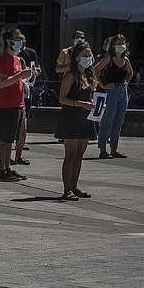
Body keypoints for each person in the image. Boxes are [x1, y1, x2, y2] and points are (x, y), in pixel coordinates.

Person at [0, 28, 38, 181]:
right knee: (4, 140)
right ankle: (1, 170)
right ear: (8, 41)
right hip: (6, 105)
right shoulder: (4, 59)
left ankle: (7, 167)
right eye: (17, 39)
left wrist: (27, 75)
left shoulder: (18, 60)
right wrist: (20, 75)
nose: (20, 42)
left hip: (18, 104)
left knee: (10, 140)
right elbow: (2, 82)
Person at [58, 40, 97, 200]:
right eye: (84, 55)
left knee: (79, 155)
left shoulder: (88, 75)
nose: (88, 58)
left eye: (89, 55)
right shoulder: (70, 75)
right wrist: (79, 103)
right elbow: (61, 98)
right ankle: (67, 189)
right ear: (76, 58)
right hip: (71, 118)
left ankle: (74, 186)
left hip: (85, 118)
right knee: (70, 155)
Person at [96, 34, 133, 159]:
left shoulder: (125, 60)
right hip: (111, 91)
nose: (121, 45)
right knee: (107, 120)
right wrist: (102, 85)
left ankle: (114, 149)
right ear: (113, 46)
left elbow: (130, 72)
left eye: (123, 43)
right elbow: (95, 70)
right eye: (119, 43)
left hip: (123, 90)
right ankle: (102, 149)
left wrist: (126, 82)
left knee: (118, 121)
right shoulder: (109, 59)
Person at [14, 36, 41, 167]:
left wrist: (35, 72)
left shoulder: (31, 53)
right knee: (14, 129)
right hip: (13, 99)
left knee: (23, 125)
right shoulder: (11, 56)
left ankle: (18, 154)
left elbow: (37, 66)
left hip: (26, 94)